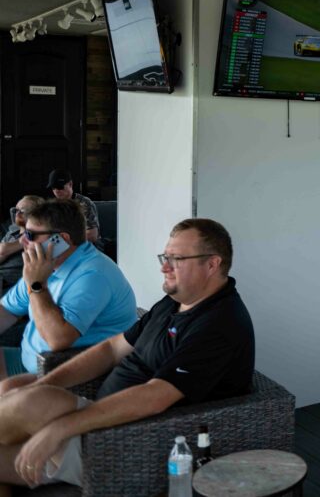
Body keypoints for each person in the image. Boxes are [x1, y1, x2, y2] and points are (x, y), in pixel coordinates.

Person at [0, 218, 254, 490]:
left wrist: (60, 427)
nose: (164, 267)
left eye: (176, 259)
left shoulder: (219, 324)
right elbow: (111, 349)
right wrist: (45, 382)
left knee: (29, 402)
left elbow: (155, 397)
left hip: (136, 442)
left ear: (212, 264)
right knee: (15, 386)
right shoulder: (174, 302)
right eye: (164, 257)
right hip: (104, 419)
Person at [0, 199, 137, 380]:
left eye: (31, 235)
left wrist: (36, 285)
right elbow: (7, 311)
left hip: (63, 374)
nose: (23, 241)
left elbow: (57, 340)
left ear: (61, 240)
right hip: (29, 362)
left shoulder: (93, 275)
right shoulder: (48, 265)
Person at [46, 170, 100, 245]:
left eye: (60, 187)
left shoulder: (84, 203)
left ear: (70, 184)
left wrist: (64, 242)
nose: (56, 191)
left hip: (85, 246)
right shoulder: (52, 206)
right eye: (53, 188)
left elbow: (92, 235)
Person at [0, 196, 45, 276]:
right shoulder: (12, 232)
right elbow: (1, 251)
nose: (17, 213)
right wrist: (19, 243)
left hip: (10, 282)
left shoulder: (40, 235)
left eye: (23, 210)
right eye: (16, 210)